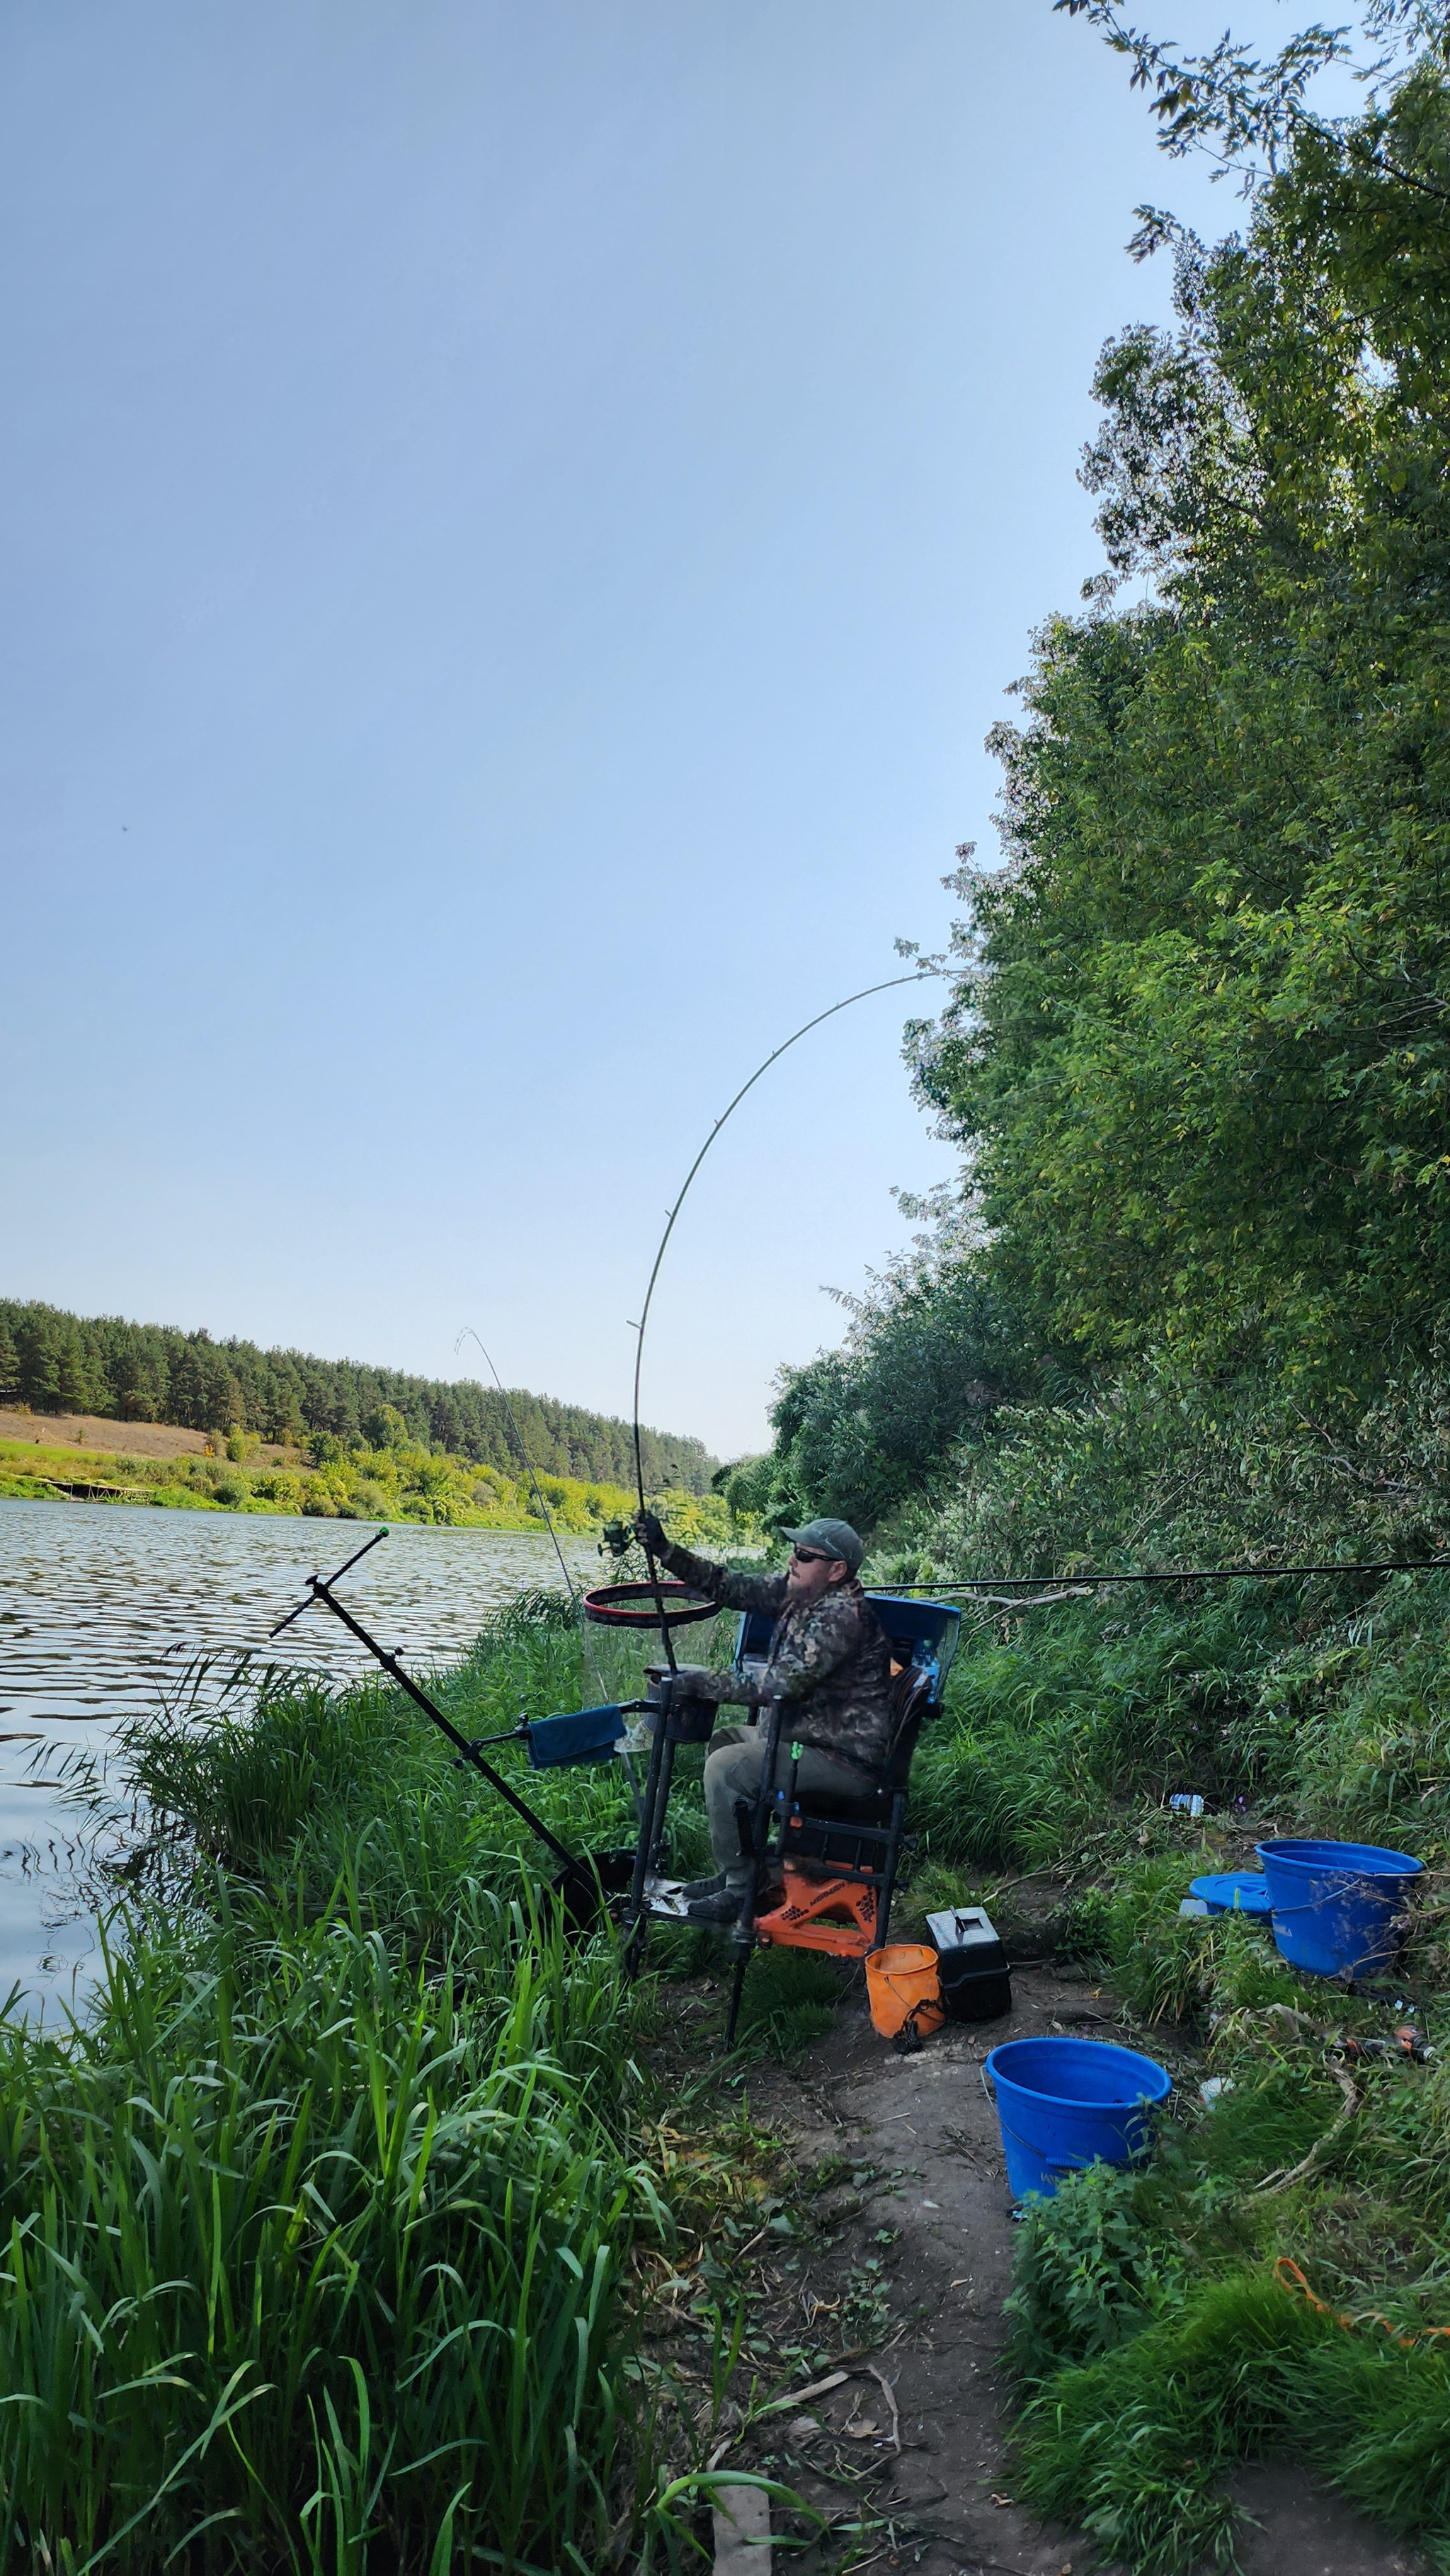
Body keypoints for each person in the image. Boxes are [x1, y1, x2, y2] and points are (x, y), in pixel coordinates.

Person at [632, 1508, 894, 1925]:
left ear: (837, 1570)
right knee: (726, 1741)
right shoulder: (803, 1594)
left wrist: (700, 1681)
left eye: (805, 1556)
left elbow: (779, 1685)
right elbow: (730, 1586)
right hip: (809, 1735)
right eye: (794, 1551)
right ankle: (745, 1871)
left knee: (725, 1766)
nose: (793, 1560)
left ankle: (741, 1891)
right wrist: (665, 1550)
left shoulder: (841, 1618)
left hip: (842, 1758)